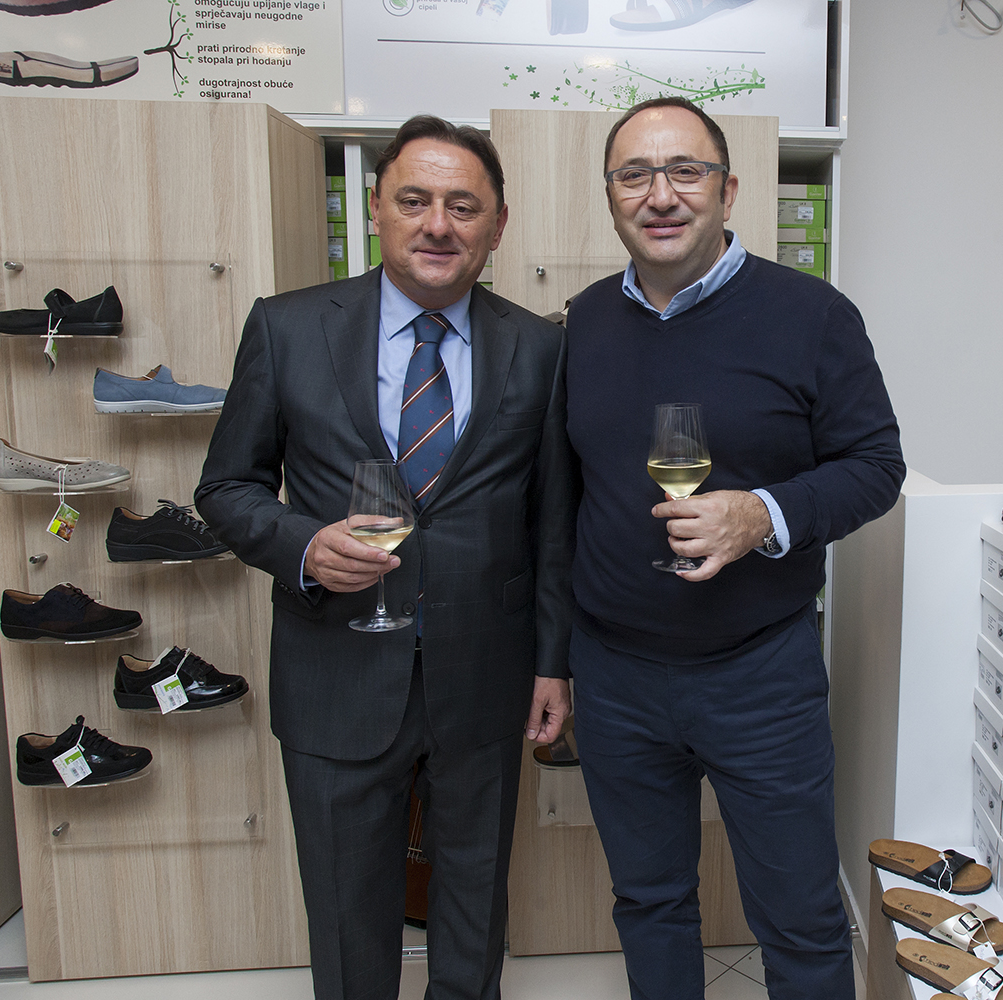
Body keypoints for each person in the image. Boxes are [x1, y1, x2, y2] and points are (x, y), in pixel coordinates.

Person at [195, 115, 575, 1000]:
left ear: (498, 225)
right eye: (414, 200)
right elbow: (226, 488)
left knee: (475, 913)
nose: (438, 224)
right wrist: (302, 545)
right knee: (346, 919)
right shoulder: (288, 328)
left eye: (463, 206)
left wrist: (553, 663)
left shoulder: (543, 348)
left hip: (486, 677)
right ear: (375, 209)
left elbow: (553, 522)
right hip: (335, 670)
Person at [564, 97, 906, 1000]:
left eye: (687, 171)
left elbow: (877, 467)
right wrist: (555, 659)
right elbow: (564, 499)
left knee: (799, 920)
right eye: (635, 175)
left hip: (760, 677)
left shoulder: (813, 315)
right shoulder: (582, 322)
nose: (660, 195)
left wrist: (762, 514)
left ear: (729, 189)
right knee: (648, 902)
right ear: (611, 195)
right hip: (615, 677)